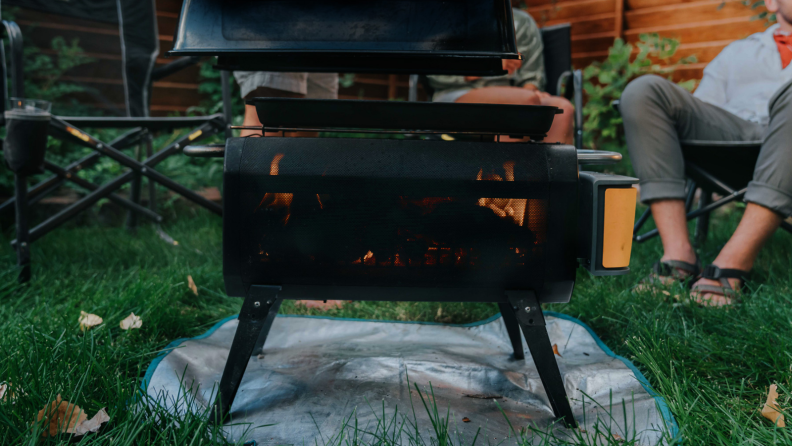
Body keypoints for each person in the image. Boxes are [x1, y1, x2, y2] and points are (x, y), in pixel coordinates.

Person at [619, 0, 792, 306]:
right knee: (643, 90)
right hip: (731, 141)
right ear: (771, 2)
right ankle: (678, 254)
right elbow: (701, 111)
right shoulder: (738, 51)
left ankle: (734, 261)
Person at [235, 71, 344, 311]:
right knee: (268, 109)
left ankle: (304, 257)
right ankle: (261, 260)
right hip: (270, 34)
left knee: (311, 117)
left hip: (326, 36)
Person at [427, 5, 575, 144]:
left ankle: (547, 170)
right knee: (523, 105)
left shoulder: (521, 22)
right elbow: (434, 74)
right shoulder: (450, 21)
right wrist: (489, 64)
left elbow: (532, 77)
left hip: (516, 95)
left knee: (562, 109)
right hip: (456, 94)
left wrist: (532, 91)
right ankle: (504, 170)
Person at [234, 72, 338, 137]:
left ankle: (300, 170)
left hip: (322, 42)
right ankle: (260, 171)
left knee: (311, 119)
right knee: (267, 118)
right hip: (273, 41)